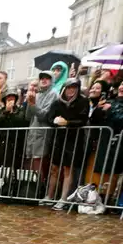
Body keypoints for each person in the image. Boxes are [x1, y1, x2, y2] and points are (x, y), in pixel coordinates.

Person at [46, 79, 89, 209]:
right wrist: (54, 121)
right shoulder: (57, 103)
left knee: (68, 169)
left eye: (74, 88)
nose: (71, 90)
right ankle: (49, 195)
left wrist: (67, 123)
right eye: (69, 87)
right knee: (54, 168)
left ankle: (63, 198)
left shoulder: (83, 102)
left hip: (73, 140)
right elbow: (49, 118)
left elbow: (83, 119)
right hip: (58, 139)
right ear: (64, 88)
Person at [25, 71, 60, 198]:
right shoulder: (38, 94)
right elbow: (28, 116)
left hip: (43, 133)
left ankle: (39, 191)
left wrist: (33, 104)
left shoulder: (53, 94)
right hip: (33, 131)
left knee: (40, 163)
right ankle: (31, 190)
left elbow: (43, 115)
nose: (44, 80)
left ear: (52, 80)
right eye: (42, 78)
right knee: (31, 162)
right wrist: (29, 103)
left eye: (47, 78)